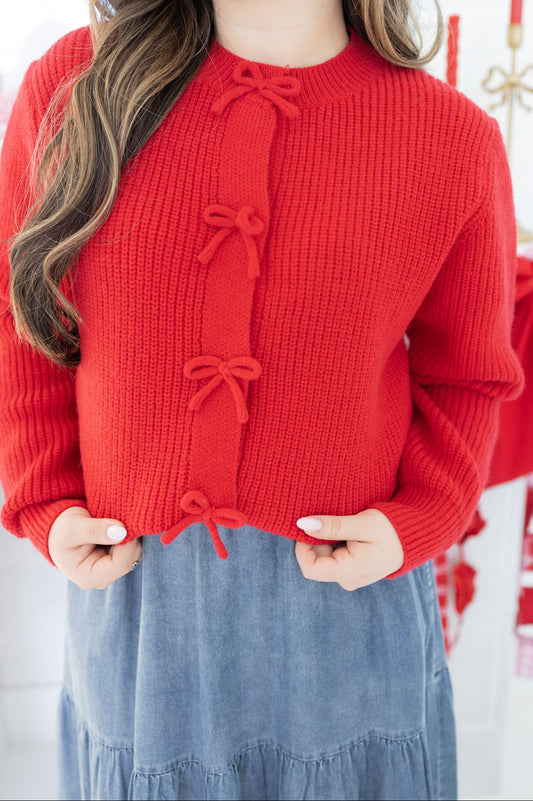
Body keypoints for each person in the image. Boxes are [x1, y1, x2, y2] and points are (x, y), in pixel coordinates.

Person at [0, 1, 524, 799]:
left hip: (347, 605)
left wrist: (415, 518)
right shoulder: (78, 89)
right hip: (140, 606)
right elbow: (21, 311)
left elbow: (465, 375)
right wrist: (45, 495)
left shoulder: (447, 138)